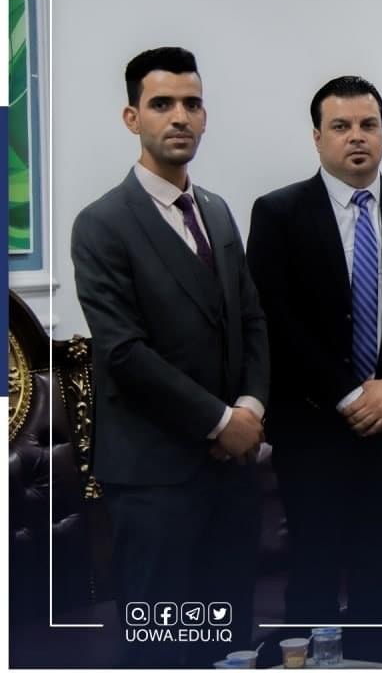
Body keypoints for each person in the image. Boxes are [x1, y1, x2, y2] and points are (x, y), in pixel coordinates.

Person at [70, 47, 268, 667]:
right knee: (165, 652)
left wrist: (250, 407)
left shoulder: (217, 211)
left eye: (192, 103)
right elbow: (124, 352)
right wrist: (220, 421)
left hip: (232, 473)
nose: (180, 116)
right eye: (162, 104)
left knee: (230, 644)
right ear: (132, 117)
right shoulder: (102, 224)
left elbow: (251, 320)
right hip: (155, 478)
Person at [246, 76, 382, 632]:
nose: (356, 136)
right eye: (341, 126)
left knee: (380, 575)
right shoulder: (279, 213)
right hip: (312, 430)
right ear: (318, 137)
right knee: (313, 575)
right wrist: (346, 394)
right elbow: (275, 318)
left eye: (368, 125)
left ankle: (377, 664)